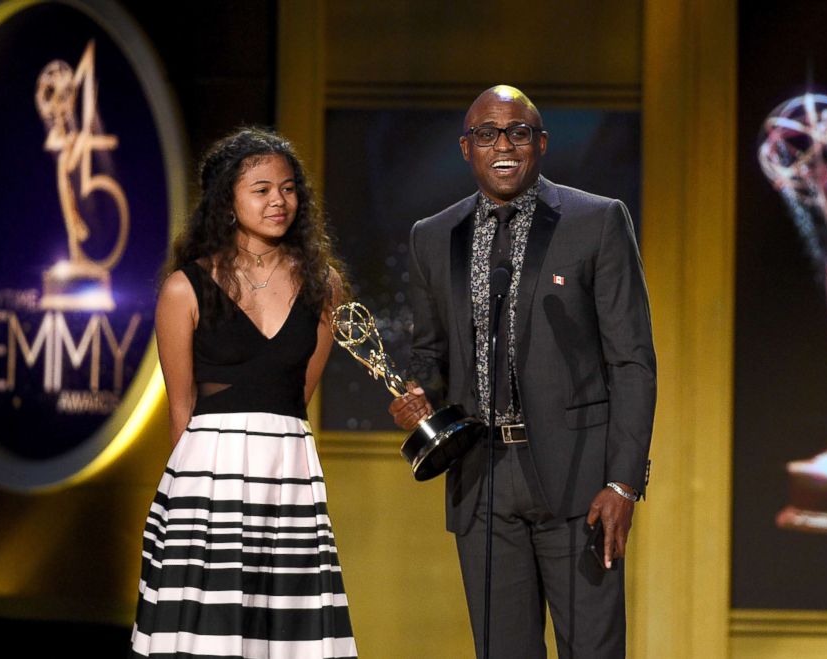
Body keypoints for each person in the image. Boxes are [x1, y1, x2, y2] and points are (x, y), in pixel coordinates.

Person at [389, 85, 656, 658]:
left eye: (518, 132)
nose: (503, 145)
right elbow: (429, 351)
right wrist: (418, 395)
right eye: (487, 134)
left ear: (541, 143)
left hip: (580, 481)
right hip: (481, 482)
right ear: (467, 148)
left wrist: (623, 482)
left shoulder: (598, 221)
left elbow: (632, 361)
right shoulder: (432, 237)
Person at [130, 126, 357, 659]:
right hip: (209, 485)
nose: (278, 200)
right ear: (227, 200)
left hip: (287, 476)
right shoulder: (185, 287)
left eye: (287, 188)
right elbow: (181, 408)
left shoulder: (324, 285)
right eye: (261, 188)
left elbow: (296, 392)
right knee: (208, 631)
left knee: (286, 631)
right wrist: (194, 506)